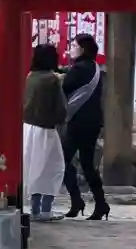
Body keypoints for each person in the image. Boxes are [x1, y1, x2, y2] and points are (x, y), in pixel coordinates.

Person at [62, 31, 110, 221]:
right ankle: (100, 203)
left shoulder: (78, 69)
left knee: (63, 162)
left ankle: (76, 200)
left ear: (82, 49)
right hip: (93, 122)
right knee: (88, 164)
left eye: (74, 46)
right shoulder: (95, 67)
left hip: (78, 122)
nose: (71, 49)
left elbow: (65, 87)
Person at [22, 42, 67, 219]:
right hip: (46, 129)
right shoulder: (52, 79)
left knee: (33, 169)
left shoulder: (30, 76)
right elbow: (61, 109)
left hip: (28, 128)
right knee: (52, 168)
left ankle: (34, 209)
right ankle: (46, 209)